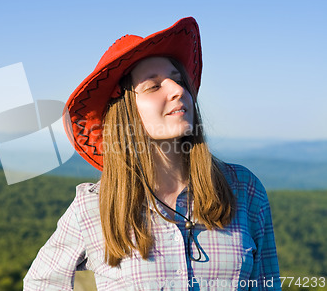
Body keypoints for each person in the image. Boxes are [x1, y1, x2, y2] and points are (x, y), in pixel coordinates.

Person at [23, 17, 281, 290]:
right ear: (126, 111)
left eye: (178, 79)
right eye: (154, 86)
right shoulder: (93, 208)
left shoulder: (243, 189)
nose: (178, 90)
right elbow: (41, 282)